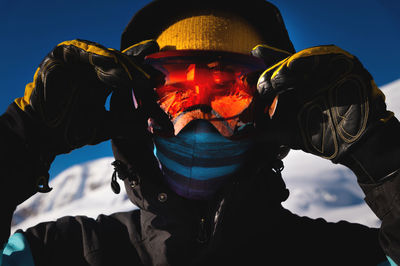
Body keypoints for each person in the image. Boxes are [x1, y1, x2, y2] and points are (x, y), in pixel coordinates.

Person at [1, 0, 399, 265]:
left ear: (268, 108)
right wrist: (21, 142)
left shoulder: (341, 257)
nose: (197, 121)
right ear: (140, 108)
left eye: (229, 91)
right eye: (174, 92)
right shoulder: (59, 254)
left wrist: (383, 161)